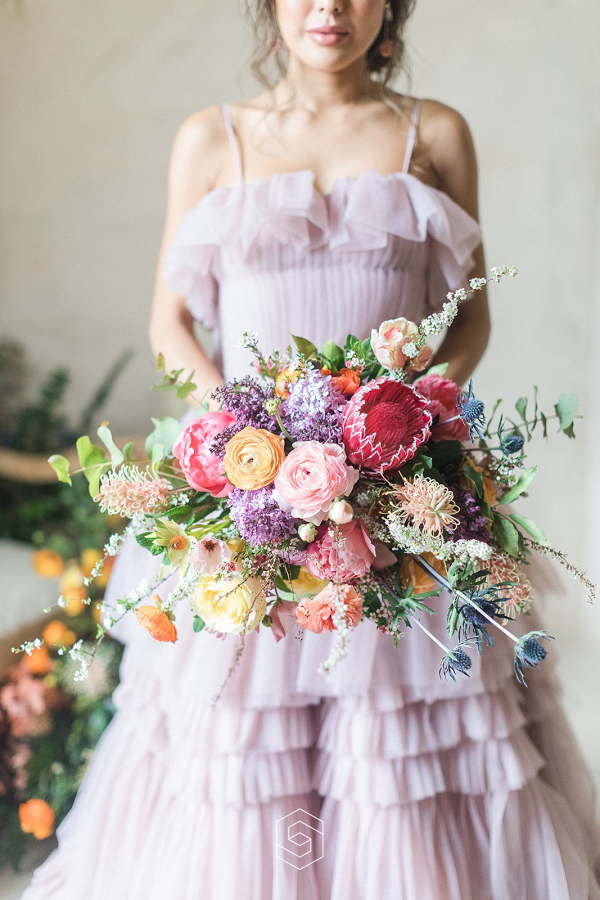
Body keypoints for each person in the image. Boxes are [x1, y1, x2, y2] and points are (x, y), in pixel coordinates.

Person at [21, 1, 600, 898]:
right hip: (246, 497)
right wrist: (242, 434)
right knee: (248, 738)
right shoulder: (212, 140)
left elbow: (473, 313)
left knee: (400, 734)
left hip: (402, 495)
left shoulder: (433, 133)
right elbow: (170, 320)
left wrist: (400, 427)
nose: (329, 6)